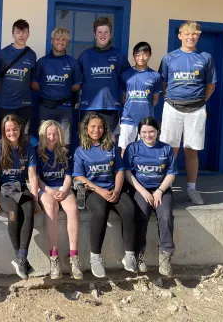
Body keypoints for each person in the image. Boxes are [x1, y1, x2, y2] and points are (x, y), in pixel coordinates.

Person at [158, 20, 217, 205]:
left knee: (191, 150)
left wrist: (199, 103)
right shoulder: (169, 58)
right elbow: (164, 83)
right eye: (188, 33)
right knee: (171, 150)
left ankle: (192, 189)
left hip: (196, 109)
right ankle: (166, 188)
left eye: (195, 34)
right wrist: (171, 100)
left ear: (198, 36)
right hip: (172, 107)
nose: (191, 37)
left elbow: (211, 86)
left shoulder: (205, 57)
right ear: (180, 35)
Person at [73, 113, 137, 278]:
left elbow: (119, 170)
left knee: (130, 209)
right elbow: (80, 177)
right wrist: (100, 191)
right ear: (86, 129)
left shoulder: (111, 147)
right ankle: (96, 257)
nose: (96, 130)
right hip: (93, 192)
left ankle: (130, 255)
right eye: (93, 126)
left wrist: (116, 190)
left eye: (100, 127)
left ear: (105, 129)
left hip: (113, 189)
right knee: (100, 211)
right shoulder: (81, 151)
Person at [123, 117, 177, 277]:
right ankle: (139, 254)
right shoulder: (132, 148)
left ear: (157, 131)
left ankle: (165, 255)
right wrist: (143, 191)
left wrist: (160, 190)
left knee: (166, 216)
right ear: (139, 133)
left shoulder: (166, 149)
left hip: (162, 189)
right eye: (144, 132)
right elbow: (127, 173)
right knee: (142, 214)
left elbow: (171, 173)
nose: (148, 135)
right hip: (140, 189)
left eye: (151, 131)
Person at [0, 114, 40, 280]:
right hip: (5, 189)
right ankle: (20, 257)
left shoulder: (28, 147)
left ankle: (21, 257)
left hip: (21, 187)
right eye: (8, 130)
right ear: (4, 131)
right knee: (13, 213)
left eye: (15, 129)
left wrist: (35, 199)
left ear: (20, 129)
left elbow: (32, 175)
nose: (12, 132)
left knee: (29, 209)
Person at [36, 120, 82, 280]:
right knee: (51, 208)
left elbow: (68, 175)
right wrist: (49, 190)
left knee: (73, 209)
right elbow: (37, 178)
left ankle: (74, 257)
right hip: (46, 188)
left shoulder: (65, 152)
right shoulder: (38, 152)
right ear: (43, 135)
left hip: (63, 187)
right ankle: (54, 257)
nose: (52, 137)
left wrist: (64, 190)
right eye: (48, 134)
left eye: (55, 133)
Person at [77, 16, 131, 140]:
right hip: (89, 106)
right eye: (100, 32)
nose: (103, 35)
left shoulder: (118, 55)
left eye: (106, 32)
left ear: (110, 34)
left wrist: (124, 97)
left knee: (110, 141)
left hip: (111, 106)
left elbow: (128, 79)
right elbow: (76, 81)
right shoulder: (85, 55)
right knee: (87, 142)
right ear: (95, 34)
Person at [32, 28, 82, 148]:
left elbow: (77, 85)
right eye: (57, 39)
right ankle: (44, 166)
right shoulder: (42, 62)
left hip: (65, 107)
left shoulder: (72, 63)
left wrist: (63, 91)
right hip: (45, 106)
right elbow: (34, 83)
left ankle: (63, 166)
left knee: (64, 142)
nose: (60, 42)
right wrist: (48, 92)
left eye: (64, 39)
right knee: (44, 140)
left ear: (67, 42)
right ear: (52, 40)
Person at [0, 20, 37, 141]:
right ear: (13, 34)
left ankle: (24, 160)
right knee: (5, 137)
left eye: (24, 32)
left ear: (28, 34)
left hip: (25, 104)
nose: (21, 35)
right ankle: (4, 160)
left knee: (25, 136)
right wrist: (3, 95)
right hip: (6, 104)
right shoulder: (3, 54)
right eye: (18, 32)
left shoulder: (31, 55)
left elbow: (32, 79)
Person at [119, 42, 162, 155]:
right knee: (125, 149)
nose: (141, 58)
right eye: (137, 54)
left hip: (146, 120)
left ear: (150, 55)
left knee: (144, 150)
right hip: (128, 120)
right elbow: (123, 98)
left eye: (144, 54)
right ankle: (124, 172)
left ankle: (141, 172)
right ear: (133, 55)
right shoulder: (125, 75)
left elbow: (155, 99)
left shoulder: (155, 76)